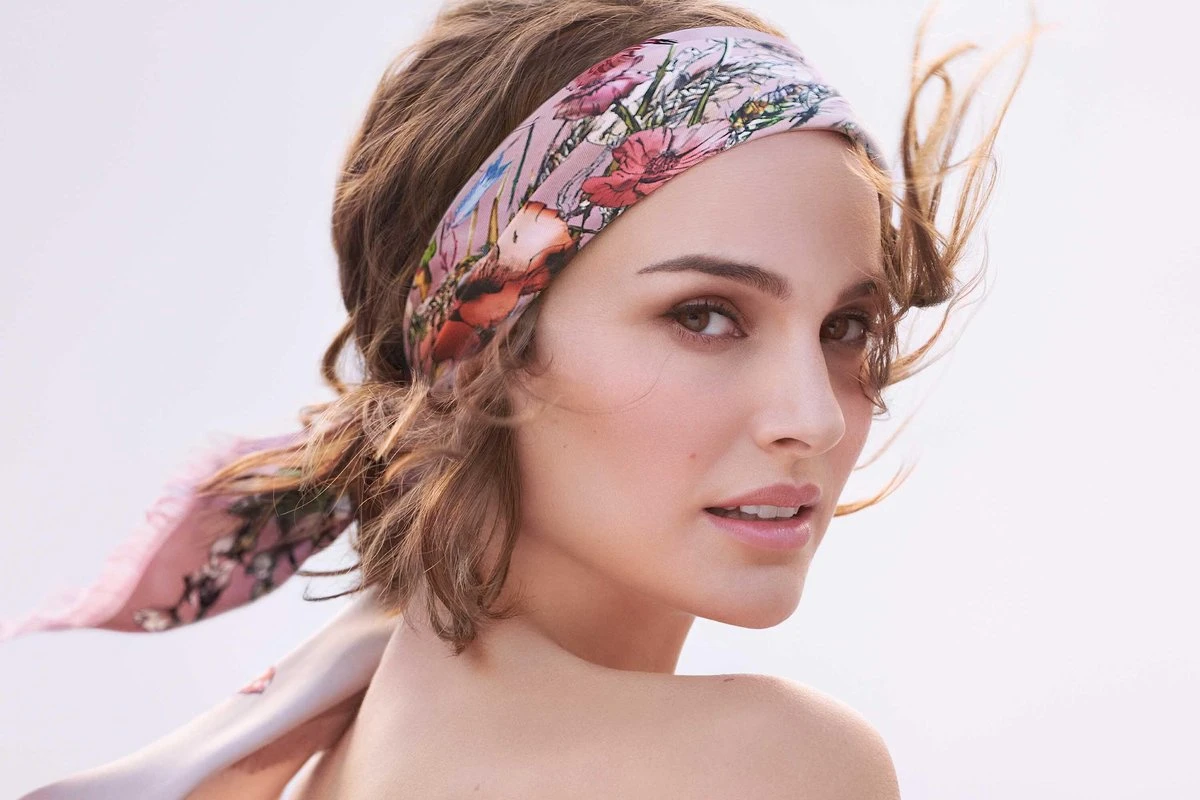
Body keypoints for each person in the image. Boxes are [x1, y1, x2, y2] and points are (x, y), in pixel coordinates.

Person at [4, 0, 1043, 797]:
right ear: (474, 348)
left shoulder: (331, 756)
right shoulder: (767, 766)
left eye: (847, 327)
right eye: (704, 315)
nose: (813, 417)